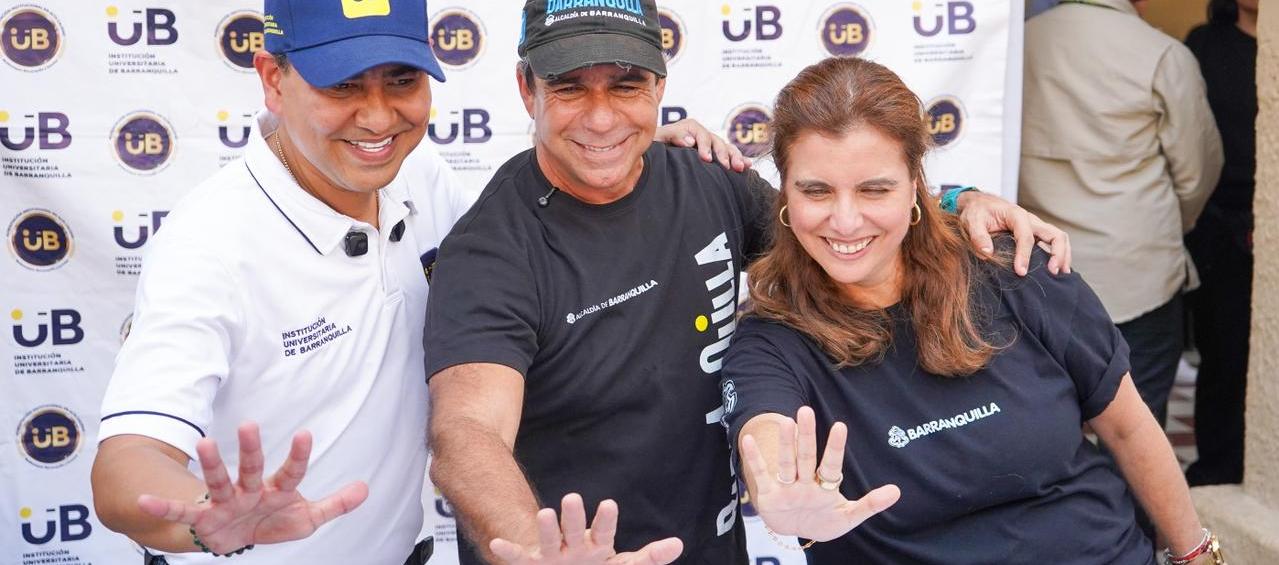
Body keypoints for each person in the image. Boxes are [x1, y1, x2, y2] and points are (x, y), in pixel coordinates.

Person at [88, 1, 738, 563]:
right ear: (272, 78)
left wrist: (638, 147)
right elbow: (125, 464)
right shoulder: (209, 246)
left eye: (399, 80)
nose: (376, 117)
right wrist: (202, 517)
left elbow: (532, 241)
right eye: (341, 85)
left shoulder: (413, 171)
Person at [423, 2, 1073, 564]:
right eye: (568, 88)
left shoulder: (704, 176)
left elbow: (833, 232)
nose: (599, 118)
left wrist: (957, 200)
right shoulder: (490, 251)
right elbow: (466, 432)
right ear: (523, 88)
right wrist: (536, 550)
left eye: (624, 86)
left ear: (657, 85)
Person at [720, 55, 1222, 565]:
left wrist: (1197, 554)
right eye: (816, 190)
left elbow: (1128, 426)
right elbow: (765, 438)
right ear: (785, 192)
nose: (846, 220)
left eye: (875, 189)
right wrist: (780, 496)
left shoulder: (1014, 270)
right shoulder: (772, 342)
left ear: (915, 186)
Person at [1019, 0, 1223, 428]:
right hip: (1139, 276)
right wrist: (1172, 225)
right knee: (1138, 434)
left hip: (1038, 278)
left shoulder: (1021, 46)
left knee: (1051, 433)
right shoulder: (1161, 54)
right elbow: (1198, 173)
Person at [1183, 0, 1258, 487]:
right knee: (1224, 354)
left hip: (1265, 214)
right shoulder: (1202, 45)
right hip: (1216, 221)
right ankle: (1217, 471)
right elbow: (1192, 147)